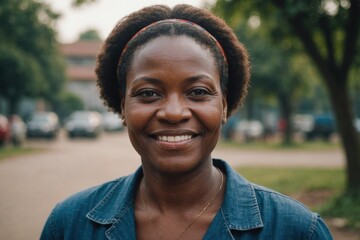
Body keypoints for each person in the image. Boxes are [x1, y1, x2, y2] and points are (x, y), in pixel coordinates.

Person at [40, 4, 333, 240]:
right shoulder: (68, 226)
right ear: (122, 108)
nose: (174, 112)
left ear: (224, 106)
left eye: (198, 92)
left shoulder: (296, 231)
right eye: (148, 93)